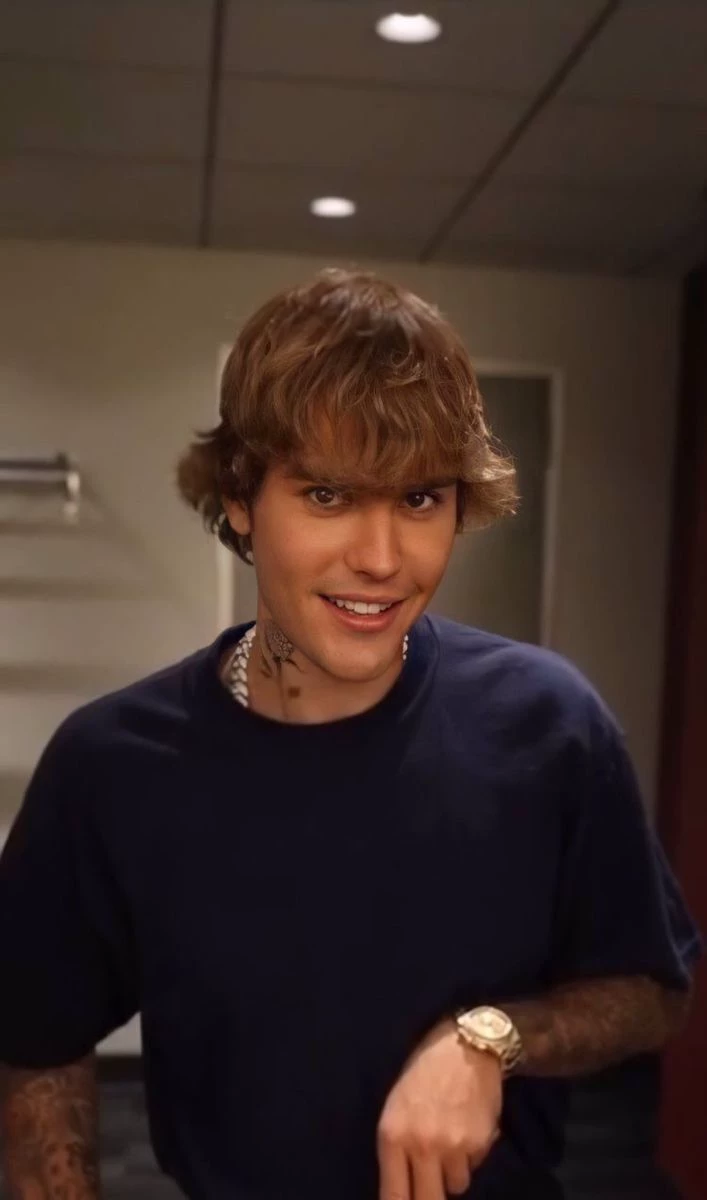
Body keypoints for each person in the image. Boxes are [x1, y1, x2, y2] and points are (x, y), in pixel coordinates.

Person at [0, 268, 701, 1200]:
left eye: (419, 500)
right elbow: (37, 1035)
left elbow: (651, 992)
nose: (380, 560)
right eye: (328, 495)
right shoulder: (113, 767)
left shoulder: (548, 724)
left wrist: (490, 1039)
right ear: (241, 499)